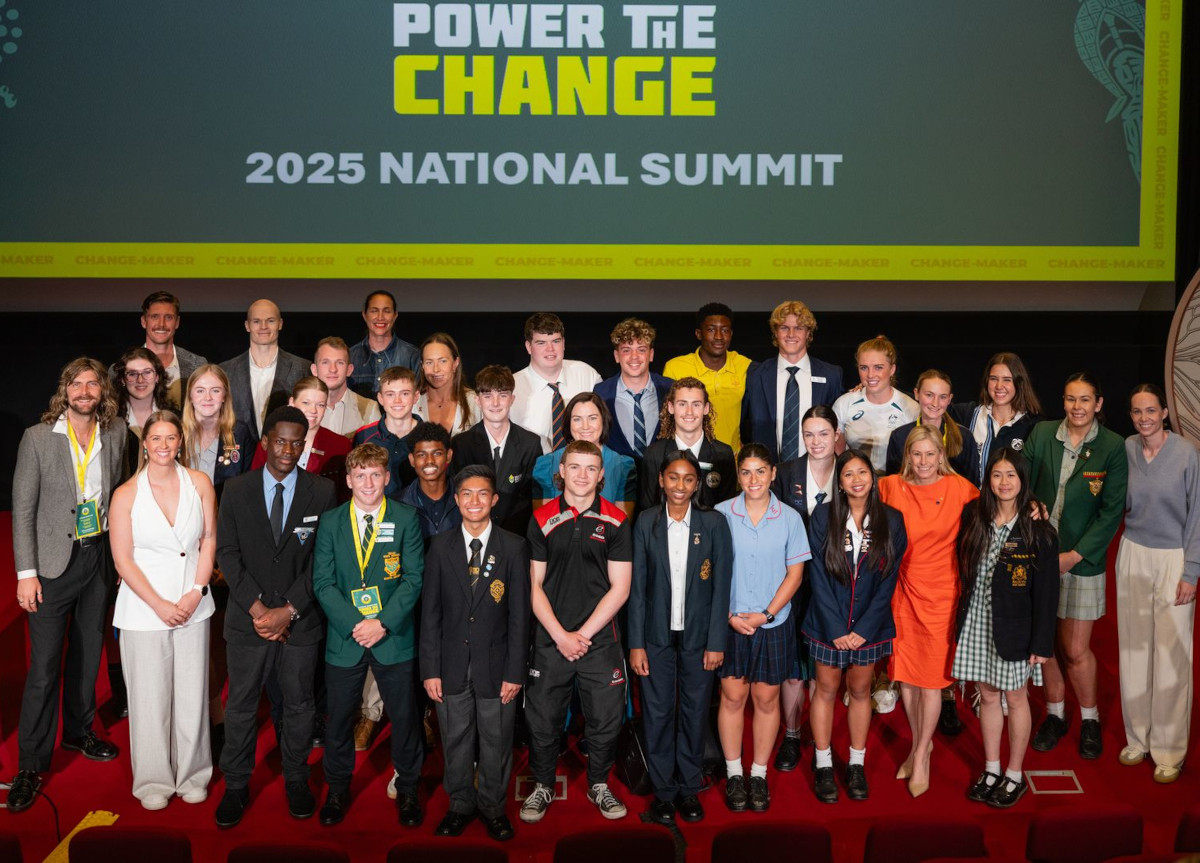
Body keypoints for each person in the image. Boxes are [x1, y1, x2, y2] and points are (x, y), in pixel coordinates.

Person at [9, 358, 127, 813]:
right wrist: (26, 574)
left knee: (86, 655)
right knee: (43, 668)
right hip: (51, 565)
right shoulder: (38, 439)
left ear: (101, 391)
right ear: (65, 390)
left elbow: (117, 493)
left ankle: (79, 733)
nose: (84, 390)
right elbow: (22, 510)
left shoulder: (114, 433)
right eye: (76, 384)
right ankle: (29, 762)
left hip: (96, 558)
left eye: (91, 383)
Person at [213, 406, 338, 828]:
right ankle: (235, 785)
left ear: (305, 445)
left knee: (300, 706)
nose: (288, 450)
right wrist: (260, 610)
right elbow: (227, 554)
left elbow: (323, 561)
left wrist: (288, 611)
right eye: (280, 441)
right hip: (248, 620)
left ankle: (297, 780)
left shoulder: (321, 491)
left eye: (296, 442)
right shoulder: (235, 489)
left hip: (300, 623)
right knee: (242, 706)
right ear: (265, 442)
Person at [520, 441, 633, 824]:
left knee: (605, 718)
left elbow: (621, 588)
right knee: (542, 718)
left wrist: (581, 635)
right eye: (575, 467)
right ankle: (543, 784)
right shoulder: (541, 519)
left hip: (600, 641)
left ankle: (599, 784)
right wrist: (560, 635)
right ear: (561, 472)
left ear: (602, 475)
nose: (582, 475)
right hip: (551, 639)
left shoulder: (617, 520)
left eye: (590, 468)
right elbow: (533, 586)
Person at [313, 443, 426, 827]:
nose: (368, 482)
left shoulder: (407, 518)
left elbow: (413, 579)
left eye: (375, 474)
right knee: (341, 718)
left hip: (392, 635)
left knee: (406, 717)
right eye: (359, 475)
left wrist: (383, 623)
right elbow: (323, 583)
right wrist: (354, 624)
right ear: (348, 480)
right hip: (346, 639)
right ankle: (338, 788)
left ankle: (409, 788)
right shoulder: (330, 522)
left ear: (387, 477)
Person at [109, 411, 218, 810]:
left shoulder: (199, 483)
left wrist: (195, 592)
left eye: (171, 438)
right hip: (143, 608)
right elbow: (123, 560)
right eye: (156, 438)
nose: (163, 446)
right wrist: (158, 604)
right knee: (149, 698)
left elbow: (208, 540)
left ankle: (193, 774)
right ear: (145, 444)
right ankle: (153, 780)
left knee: (192, 695)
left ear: (180, 442)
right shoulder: (125, 494)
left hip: (193, 605)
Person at [421, 465, 531, 841]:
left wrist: (515, 671)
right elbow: (430, 614)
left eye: (483, 494)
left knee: (496, 741)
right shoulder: (439, 548)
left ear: (494, 500)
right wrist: (430, 669)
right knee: (454, 739)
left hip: (497, 667)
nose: (474, 501)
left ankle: (493, 807)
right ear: (456, 499)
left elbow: (519, 618)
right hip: (449, 666)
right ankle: (460, 805)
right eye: (466, 494)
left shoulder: (513, 547)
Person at [1025, 372, 1127, 759]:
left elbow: (1111, 511)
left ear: (1098, 404)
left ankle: (1089, 718)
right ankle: (1055, 714)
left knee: (1075, 648)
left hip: (1083, 560)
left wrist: (1074, 556)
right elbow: (1025, 483)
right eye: (1071, 399)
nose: (1077, 407)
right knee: (1045, 642)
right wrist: (1031, 504)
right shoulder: (1043, 434)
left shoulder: (1113, 446)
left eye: (1085, 400)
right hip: (1039, 554)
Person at [628, 450, 733, 825]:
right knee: (656, 715)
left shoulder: (714, 524)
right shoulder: (644, 523)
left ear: (697, 483)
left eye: (688, 479)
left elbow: (722, 589)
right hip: (655, 637)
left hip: (699, 639)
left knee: (693, 713)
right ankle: (663, 792)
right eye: (673, 477)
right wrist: (636, 643)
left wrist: (717, 642)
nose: (680, 486)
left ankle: (689, 788)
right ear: (661, 480)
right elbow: (637, 589)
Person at [878, 425, 979, 797]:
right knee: (906, 676)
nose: (923, 462)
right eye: (916, 455)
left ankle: (920, 754)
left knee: (933, 681)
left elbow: (1001, 504)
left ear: (942, 456)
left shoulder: (959, 488)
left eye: (930, 455)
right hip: (902, 591)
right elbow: (853, 495)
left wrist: (1033, 505)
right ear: (907, 456)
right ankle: (921, 743)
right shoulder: (889, 487)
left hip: (942, 593)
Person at [955, 448, 1058, 808]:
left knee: (1015, 699)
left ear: (1022, 481)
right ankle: (991, 768)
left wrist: (1042, 643)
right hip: (979, 623)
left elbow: (1047, 594)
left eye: (1011, 475)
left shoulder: (1038, 530)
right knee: (987, 697)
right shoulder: (974, 516)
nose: (1003, 482)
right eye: (997, 475)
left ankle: (1014, 774)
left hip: (1016, 629)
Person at [803, 449, 906, 803]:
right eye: (848, 475)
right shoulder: (823, 517)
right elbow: (815, 572)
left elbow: (889, 579)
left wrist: (864, 627)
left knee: (861, 691)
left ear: (872, 478)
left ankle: (857, 763)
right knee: (826, 689)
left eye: (862, 472)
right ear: (840, 482)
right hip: (826, 624)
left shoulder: (891, 520)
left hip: (870, 626)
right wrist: (835, 627)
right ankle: (822, 763)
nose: (856, 480)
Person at [714, 443, 810, 813]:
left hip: (773, 623)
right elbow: (711, 575)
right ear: (738, 476)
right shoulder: (721, 514)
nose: (753, 479)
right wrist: (728, 616)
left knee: (766, 700)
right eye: (745, 472)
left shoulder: (789, 518)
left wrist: (767, 614)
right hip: (731, 621)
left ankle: (758, 774)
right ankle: (735, 773)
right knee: (732, 698)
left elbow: (795, 573)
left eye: (760, 471)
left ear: (773, 474)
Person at [1116, 384, 1200, 783]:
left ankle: (1169, 749)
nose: (1144, 418)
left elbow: (1198, 514)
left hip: (1173, 558)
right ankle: (1139, 738)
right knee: (1133, 649)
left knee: (1170, 656)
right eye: (1137, 412)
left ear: (1164, 412)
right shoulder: (1127, 449)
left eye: (1151, 410)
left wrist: (1191, 572)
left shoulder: (1185, 454)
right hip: (1133, 552)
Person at [770, 404, 841, 770]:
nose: (816, 441)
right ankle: (793, 734)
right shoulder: (786, 473)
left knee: (824, 665)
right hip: (793, 582)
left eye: (823, 434)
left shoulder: (851, 472)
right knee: (794, 665)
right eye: (809, 434)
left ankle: (821, 734)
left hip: (837, 585)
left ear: (836, 435)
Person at [741, 300, 845, 463]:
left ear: (808, 333)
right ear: (775, 332)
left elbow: (839, 426)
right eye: (784, 328)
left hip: (817, 472)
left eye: (798, 328)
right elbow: (745, 428)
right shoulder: (755, 375)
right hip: (767, 475)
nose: (791, 334)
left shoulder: (831, 375)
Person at [451, 365, 543, 535]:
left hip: (517, 537)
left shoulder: (530, 443)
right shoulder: (461, 444)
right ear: (478, 400)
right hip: (473, 534)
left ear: (512, 399)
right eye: (488, 396)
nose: (495, 403)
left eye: (502, 395)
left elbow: (532, 499)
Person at [662, 303, 752, 451]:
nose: (718, 337)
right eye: (711, 330)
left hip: (731, 460)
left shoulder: (745, 366)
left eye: (725, 330)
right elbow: (667, 419)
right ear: (698, 333)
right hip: (687, 460)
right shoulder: (675, 368)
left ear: (731, 334)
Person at [639, 377, 737, 511]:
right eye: (682, 404)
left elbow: (728, 510)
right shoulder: (654, 454)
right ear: (671, 407)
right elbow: (647, 509)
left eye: (696, 404)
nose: (689, 412)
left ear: (706, 408)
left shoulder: (723, 454)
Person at [511, 312, 602, 454]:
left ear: (564, 343)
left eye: (556, 341)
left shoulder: (587, 374)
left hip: (584, 470)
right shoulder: (513, 387)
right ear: (529, 347)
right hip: (532, 471)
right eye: (541, 343)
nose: (550, 349)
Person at [532, 392, 637, 515]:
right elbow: (544, 522)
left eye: (592, 418)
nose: (585, 426)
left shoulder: (623, 466)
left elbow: (622, 524)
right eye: (577, 419)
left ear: (603, 420)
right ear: (568, 423)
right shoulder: (547, 464)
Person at [219, 298, 310, 439]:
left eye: (270, 320)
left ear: (280, 324)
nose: (263, 326)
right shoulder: (226, 371)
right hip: (239, 456)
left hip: (285, 456)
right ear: (247, 326)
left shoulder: (302, 369)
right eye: (256, 321)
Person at [832, 335, 919, 473]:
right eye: (864, 368)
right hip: (855, 486)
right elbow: (838, 455)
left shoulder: (911, 408)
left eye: (878, 367)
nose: (870, 375)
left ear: (892, 369)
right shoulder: (844, 404)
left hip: (895, 486)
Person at [949, 351, 1042, 478]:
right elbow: (932, 409)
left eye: (1007, 380)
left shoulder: (1034, 425)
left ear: (1019, 383)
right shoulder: (968, 414)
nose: (999, 386)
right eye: (993, 379)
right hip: (970, 497)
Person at [594, 317, 673, 459]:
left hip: (662, 478)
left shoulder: (671, 389)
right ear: (616, 356)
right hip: (617, 478)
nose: (634, 357)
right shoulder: (600, 393)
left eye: (641, 349)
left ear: (651, 354)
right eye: (626, 350)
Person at [886, 369, 981, 485]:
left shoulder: (964, 437)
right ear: (917, 394)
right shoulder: (899, 436)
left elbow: (972, 486)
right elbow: (892, 484)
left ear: (949, 399)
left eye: (942, 397)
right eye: (929, 395)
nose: (935, 403)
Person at [250, 377, 352, 484]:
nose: (313, 410)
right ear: (292, 402)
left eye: (320, 405)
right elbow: (255, 485)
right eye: (306, 403)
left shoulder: (340, 445)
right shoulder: (270, 442)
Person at [183, 364, 256, 496]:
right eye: (200, 390)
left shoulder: (239, 433)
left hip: (225, 513)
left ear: (224, 396)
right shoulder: (176, 433)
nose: (207, 397)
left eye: (215, 390)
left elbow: (250, 484)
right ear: (190, 396)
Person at [353, 365, 422, 496]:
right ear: (380, 398)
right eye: (390, 394)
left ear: (416, 397)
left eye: (405, 393)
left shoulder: (430, 437)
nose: (397, 401)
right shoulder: (364, 436)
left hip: (418, 513)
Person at [136, 290, 208, 408]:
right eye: (155, 317)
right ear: (144, 321)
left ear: (177, 322)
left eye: (168, 317)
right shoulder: (122, 367)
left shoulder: (198, 365)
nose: (161, 324)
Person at [348, 290, 421, 396]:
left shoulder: (412, 355)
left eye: (387, 311)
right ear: (364, 315)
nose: (380, 317)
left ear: (395, 316)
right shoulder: (350, 356)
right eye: (374, 311)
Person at [399, 421, 462, 542]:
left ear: (448, 455)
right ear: (412, 460)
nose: (430, 461)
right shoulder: (397, 505)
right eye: (421, 455)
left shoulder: (467, 500)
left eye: (437, 453)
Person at [312, 337, 380, 438]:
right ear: (314, 369)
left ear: (349, 369)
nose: (333, 369)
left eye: (340, 363)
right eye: (325, 362)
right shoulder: (299, 408)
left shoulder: (369, 409)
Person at [414, 332, 479, 436]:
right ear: (422, 366)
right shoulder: (413, 403)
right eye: (429, 362)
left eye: (443, 361)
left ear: (455, 363)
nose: (436, 369)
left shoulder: (475, 402)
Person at [114, 347, 175, 442]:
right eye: (132, 374)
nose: (140, 380)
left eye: (147, 372)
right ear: (123, 380)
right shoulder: (110, 420)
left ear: (157, 377)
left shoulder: (175, 418)